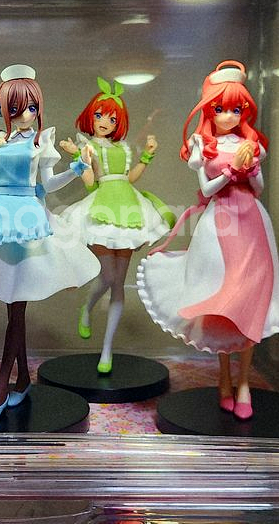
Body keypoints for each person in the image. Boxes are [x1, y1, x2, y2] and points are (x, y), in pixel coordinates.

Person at [136, 60, 279, 420]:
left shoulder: (251, 144)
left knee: (251, 298)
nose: (228, 116)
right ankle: (224, 377)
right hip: (219, 224)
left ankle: (243, 382)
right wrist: (231, 171)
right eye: (220, 109)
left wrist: (252, 169)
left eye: (236, 109)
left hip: (252, 223)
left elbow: (257, 189)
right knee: (219, 296)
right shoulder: (202, 144)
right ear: (209, 109)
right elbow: (208, 188)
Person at [0, 64, 99, 422]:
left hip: (28, 220)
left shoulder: (40, 142)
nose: (26, 115)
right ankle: (22, 378)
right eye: (16, 109)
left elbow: (46, 185)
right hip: (0, 217)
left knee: (16, 308)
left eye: (32, 108)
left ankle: (2, 386)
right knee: (13, 306)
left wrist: (76, 168)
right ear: (3, 110)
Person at [59, 77, 174, 373]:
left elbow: (130, 177)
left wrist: (147, 154)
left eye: (112, 118)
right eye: (100, 115)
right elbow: (90, 184)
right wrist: (78, 157)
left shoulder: (123, 147)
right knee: (109, 276)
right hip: (102, 206)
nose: (105, 122)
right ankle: (87, 307)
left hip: (129, 206)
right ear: (91, 116)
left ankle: (107, 350)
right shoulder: (88, 146)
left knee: (119, 283)